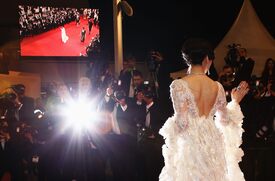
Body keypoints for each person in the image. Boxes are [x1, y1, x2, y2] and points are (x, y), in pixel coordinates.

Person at [159, 38, 249, 181]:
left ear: (188, 60)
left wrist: (170, 130)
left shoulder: (179, 85)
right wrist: (235, 102)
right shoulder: (217, 87)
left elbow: (182, 124)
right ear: (207, 59)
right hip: (212, 144)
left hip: (190, 146)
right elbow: (224, 120)